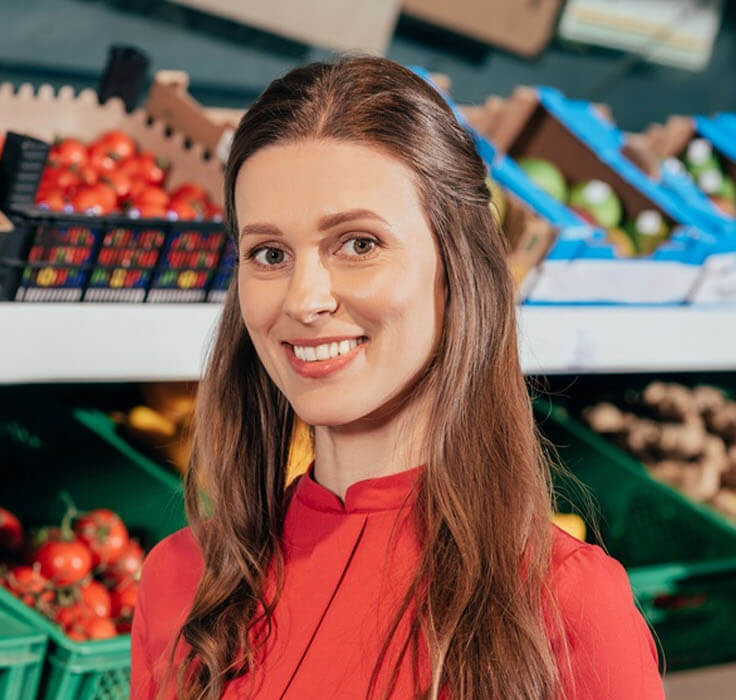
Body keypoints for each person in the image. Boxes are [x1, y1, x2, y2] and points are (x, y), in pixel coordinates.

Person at [129, 56, 662, 700]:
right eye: (269, 254)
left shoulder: (567, 605)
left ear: (456, 269)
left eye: (358, 244)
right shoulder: (181, 580)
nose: (303, 299)